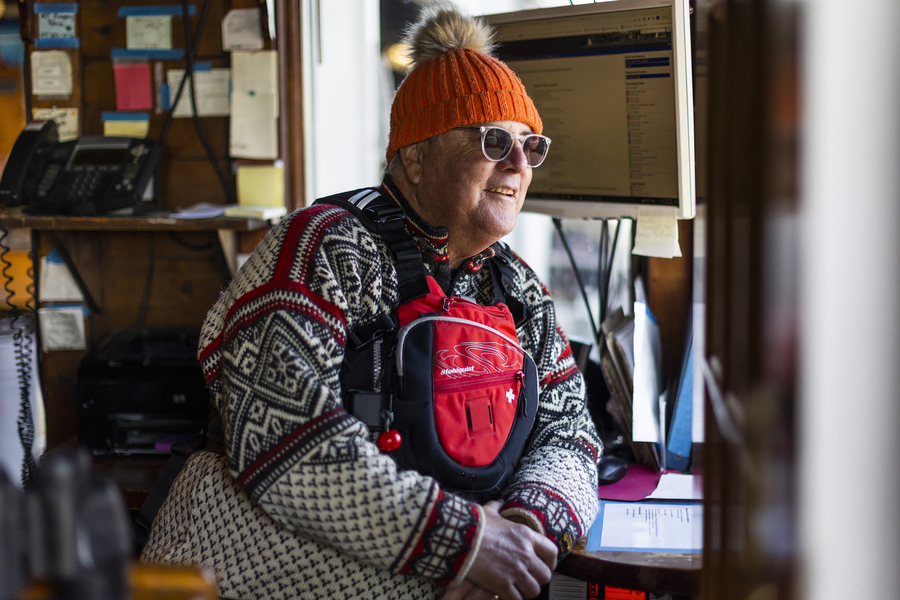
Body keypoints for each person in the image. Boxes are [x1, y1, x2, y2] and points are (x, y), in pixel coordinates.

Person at [141, 7, 601, 600]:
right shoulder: (319, 246)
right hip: (247, 569)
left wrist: (521, 532)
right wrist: (465, 545)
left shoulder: (517, 289)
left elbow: (572, 438)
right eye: (492, 140)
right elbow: (285, 443)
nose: (517, 164)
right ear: (415, 156)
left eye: (529, 146)